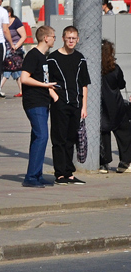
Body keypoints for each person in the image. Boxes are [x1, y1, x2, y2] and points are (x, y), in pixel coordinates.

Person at [47, 25, 91, 185]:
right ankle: (60, 174)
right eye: (68, 38)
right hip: (60, 104)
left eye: (74, 38)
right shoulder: (52, 59)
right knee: (59, 138)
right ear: (63, 38)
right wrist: (56, 98)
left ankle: (69, 172)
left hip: (76, 104)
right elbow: (46, 82)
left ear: (77, 40)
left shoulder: (80, 58)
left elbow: (84, 84)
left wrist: (84, 107)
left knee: (71, 139)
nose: (71, 41)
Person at [18, 25, 59, 188]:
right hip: (34, 102)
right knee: (42, 136)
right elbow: (24, 78)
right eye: (54, 36)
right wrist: (44, 85)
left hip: (43, 101)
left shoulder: (43, 58)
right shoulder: (33, 55)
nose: (55, 39)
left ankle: (36, 174)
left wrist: (54, 95)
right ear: (45, 38)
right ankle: (31, 177)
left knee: (38, 137)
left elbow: (46, 83)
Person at [99, 39, 131, 174]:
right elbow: (122, 84)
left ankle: (103, 163)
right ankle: (125, 162)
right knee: (124, 133)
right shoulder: (115, 68)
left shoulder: (95, 69)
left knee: (103, 133)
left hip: (101, 106)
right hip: (117, 105)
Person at [0, 5, 29, 97]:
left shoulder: (16, 22)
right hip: (6, 48)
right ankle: (22, 90)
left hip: (15, 50)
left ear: (9, 13)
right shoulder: (3, 23)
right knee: (16, 71)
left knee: (7, 69)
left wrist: (16, 46)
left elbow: (24, 36)